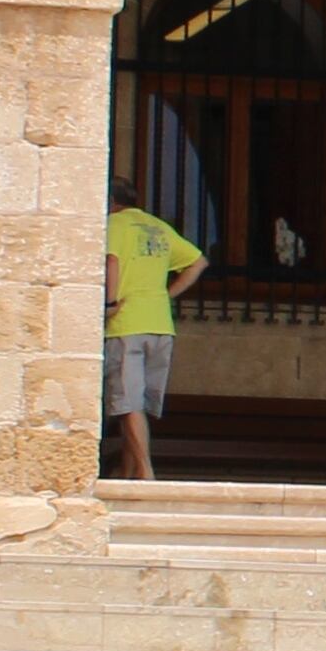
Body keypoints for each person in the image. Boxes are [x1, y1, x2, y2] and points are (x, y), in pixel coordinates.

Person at [102, 177, 204, 482]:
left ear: (109, 200)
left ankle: (145, 472)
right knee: (136, 405)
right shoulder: (157, 226)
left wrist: (109, 304)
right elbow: (198, 262)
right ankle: (128, 471)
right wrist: (166, 295)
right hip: (160, 324)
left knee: (126, 402)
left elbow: (112, 262)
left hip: (126, 324)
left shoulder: (114, 226)